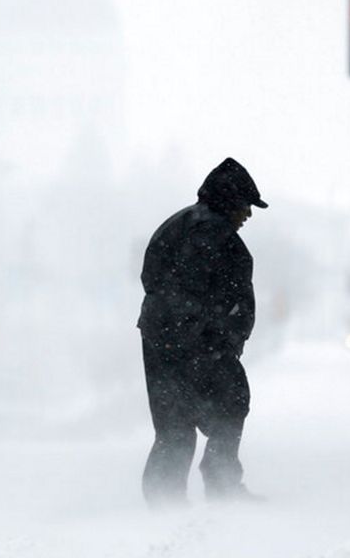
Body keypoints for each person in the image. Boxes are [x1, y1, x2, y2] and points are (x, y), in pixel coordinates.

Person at [137, 157, 266, 507]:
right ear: (229, 200)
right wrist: (219, 334)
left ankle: (164, 502)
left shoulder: (174, 224)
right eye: (245, 206)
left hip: (160, 337)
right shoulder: (214, 234)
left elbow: (152, 279)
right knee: (231, 404)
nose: (249, 215)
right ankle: (222, 487)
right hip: (199, 343)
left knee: (173, 426)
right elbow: (205, 293)